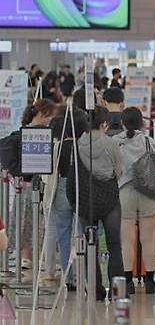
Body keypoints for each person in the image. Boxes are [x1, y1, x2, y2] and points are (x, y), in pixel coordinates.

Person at [114, 107, 155, 294]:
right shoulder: (147, 140)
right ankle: (150, 281)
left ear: (122, 122)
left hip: (124, 193)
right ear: (141, 122)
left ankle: (128, 282)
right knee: (148, 239)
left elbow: (113, 169)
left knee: (126, 240)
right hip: (147, 193)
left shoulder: (116, 142)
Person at [76, 105, 124, 301]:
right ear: (104, 123)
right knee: (114, 245)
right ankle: (117, 291)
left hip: (87, 199)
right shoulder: (110, 143)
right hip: (110, 198)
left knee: (90, 244)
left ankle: (94, 290)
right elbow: (119, 170)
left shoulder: (80, 142)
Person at [42, 107, 88, 291]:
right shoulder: (85, 146)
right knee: (80, 233)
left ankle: (68, 277)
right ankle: (80, 274)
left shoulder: (57, 146)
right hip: (81, 188)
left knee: (63, 235)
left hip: (60, 188)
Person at [10, 99, 57, 269]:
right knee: (36, 223)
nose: (50, 119)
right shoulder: (43, 134)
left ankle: (26, 258)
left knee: (25, 222)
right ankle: (33, 258)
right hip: (36, 186)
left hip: (24, 185)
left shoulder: (20, 132)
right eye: (49, 116)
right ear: (40, 114)